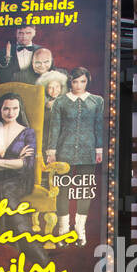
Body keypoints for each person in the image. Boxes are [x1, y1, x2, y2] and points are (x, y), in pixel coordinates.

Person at [0, 93, 49, 268]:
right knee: (1, 191)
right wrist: (13, 163)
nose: (11, 112)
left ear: (20, 109)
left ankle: (16, 248)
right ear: (0, 110)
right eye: (6, 108)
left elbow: (27, 165)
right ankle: (26, 244)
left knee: (5, 191)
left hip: (20, 181)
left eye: (15, 108)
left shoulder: (27, 132)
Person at [44, 67, 105, 244]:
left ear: (87, 82)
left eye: (82, 81)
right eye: (75, 81)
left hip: (88, 149)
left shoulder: (96, 101)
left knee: (85, 189)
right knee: (63, 189)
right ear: (70, 82)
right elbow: (54, 127)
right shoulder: (61, 102)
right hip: (64, 149)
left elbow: (99, 126)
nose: (79, 85)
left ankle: (80, 230)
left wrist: (99, 149)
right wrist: (51, 152)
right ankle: (63, 229)